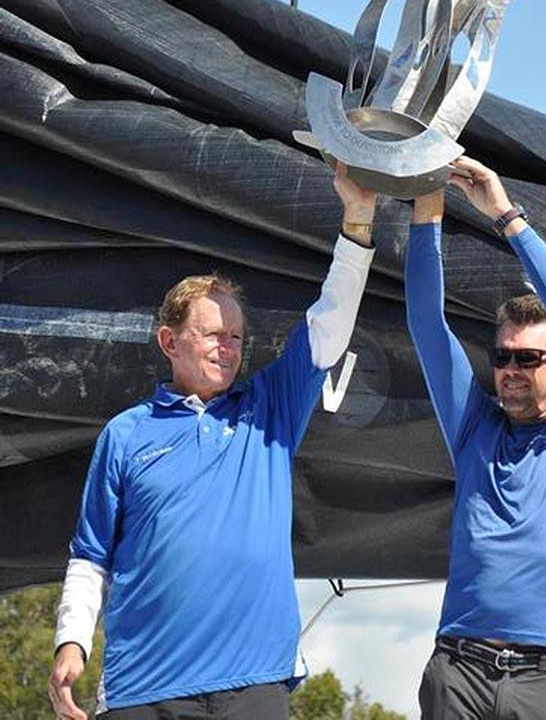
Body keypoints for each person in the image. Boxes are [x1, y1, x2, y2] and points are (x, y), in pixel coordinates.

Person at [48, 163, 377, 720]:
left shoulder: (270, 409)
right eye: (212, 334)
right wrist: (71, 642)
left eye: (236, 337)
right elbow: (90, 556)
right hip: (142, 690)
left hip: (253, 684)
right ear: (169, 340)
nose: (227, 348)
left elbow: (329, 322)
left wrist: (359, 218)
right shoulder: (125, 434)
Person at [406, 154, 546, 720]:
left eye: (528, 357)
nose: (510, 369)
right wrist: (427, 200)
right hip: (459, 672)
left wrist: (504, 214)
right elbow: (428, 323)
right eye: (502, 356)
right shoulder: (475, 428)